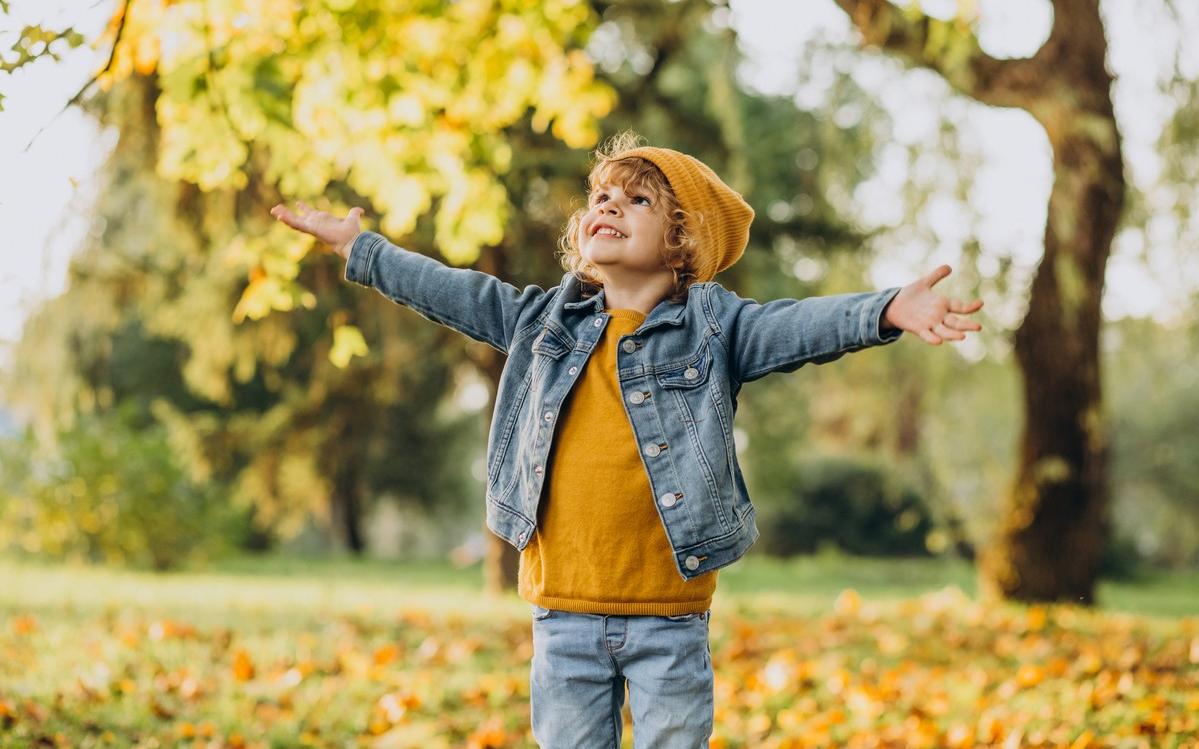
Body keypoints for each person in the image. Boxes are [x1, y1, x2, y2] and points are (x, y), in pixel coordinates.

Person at [270, 130, 983, 748]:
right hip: (562, 614)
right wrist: (361, 248)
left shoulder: (713, 326)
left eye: (636, 200)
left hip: (668, 619)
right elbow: (452, 290)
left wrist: (885, 308)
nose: (605, 206)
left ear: (683, 242)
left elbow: (796, 326)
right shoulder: (541, 322)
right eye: (600, 198)